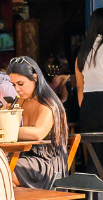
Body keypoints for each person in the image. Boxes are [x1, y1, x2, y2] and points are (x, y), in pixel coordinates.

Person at [6, 55, 70, 189]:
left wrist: (6, 130)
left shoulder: (48, 103)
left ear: (35, 78)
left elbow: (38, 133)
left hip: (46, 165)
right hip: (24, 158)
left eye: (20, 84)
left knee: (0, 170)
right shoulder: (20, 101)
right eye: (13, 85)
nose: (16, 89)